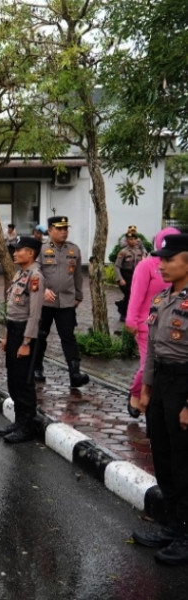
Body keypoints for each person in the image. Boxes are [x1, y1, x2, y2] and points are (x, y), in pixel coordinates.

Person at [133, 233, 188, 566]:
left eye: (169, 259)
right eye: (161, 259)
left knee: (184, 463)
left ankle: (185, 534)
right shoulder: (161, 300)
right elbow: (152, 351)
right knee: (164, 458)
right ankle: (171, 525)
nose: (162, 265)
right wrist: (146, 390)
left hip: (184, 386)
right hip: (162, 386)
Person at [127, 228, 181, 418]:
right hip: (146, 324)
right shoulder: (147, 265)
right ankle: (135, 392)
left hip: (172, 327)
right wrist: (131, 319)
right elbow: (136, 294)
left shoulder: (180, 266)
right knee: (147, 366)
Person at [0, 237, 44, 443]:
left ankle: (27, 426)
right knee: (13, 379)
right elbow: (12, 310)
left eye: (18, 250)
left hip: (26, 333)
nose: (14, 253)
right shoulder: (20, 274)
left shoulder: (35, 276)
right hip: (14, 331)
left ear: (31, 253)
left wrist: (26, 343)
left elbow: (34, 314)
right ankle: (18, 421)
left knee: (24, 382)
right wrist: (7, 336)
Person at [32, 216, 90, 387]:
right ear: (50, 230)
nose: (64, 232)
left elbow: (78, 275)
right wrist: (43, 290)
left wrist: (78, 296)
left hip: (66, 302)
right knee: (41, 335)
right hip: (45, 303)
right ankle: (37, 367)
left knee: (68, 337)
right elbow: (34, 274)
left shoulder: (74, 250)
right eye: (60, 228)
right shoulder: (40, 250)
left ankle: (74, 373)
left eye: (66, 229)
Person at [115, 226, 148, 323]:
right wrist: (120, 279)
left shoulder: (140, 251)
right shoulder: (123, 252)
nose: (132, 241)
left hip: (136, 276)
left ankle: (122, 306)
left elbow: (144, 262)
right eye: (130, 239)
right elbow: (117, 266)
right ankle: (123, 313)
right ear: (127, 240)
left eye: (134, 239)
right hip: (126, 275)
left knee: (133, 295)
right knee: (129, 294)